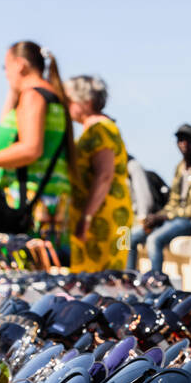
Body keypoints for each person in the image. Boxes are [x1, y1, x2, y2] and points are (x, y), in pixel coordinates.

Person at [0, 40, 74, 253]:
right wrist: (14, 90)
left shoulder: (33, 97)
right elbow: (7, 127)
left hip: (27, 206)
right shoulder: (51, 96)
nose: (5, 74)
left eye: (6, 67)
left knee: (21, 276)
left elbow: (31, 148)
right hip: (50, 203)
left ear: (20, 65)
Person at [64, 75, 131, 272]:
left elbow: (104, 175)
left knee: (102, 282)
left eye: (69, 100)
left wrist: (86, 218)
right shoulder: (98, 129)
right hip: (107, 217)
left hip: (104, 220)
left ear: (86, 102)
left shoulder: (100, 129)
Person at [129, 124, 191, 274]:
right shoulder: (179, 168)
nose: (184, 144)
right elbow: (173, 201)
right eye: (180, 140)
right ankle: (127, 278)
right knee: (129, 237)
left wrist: (164, 216)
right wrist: (156, 217)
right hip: (170, 218)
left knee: (154, 239)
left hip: (189, 221)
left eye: (187, 140)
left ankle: (156, 282)